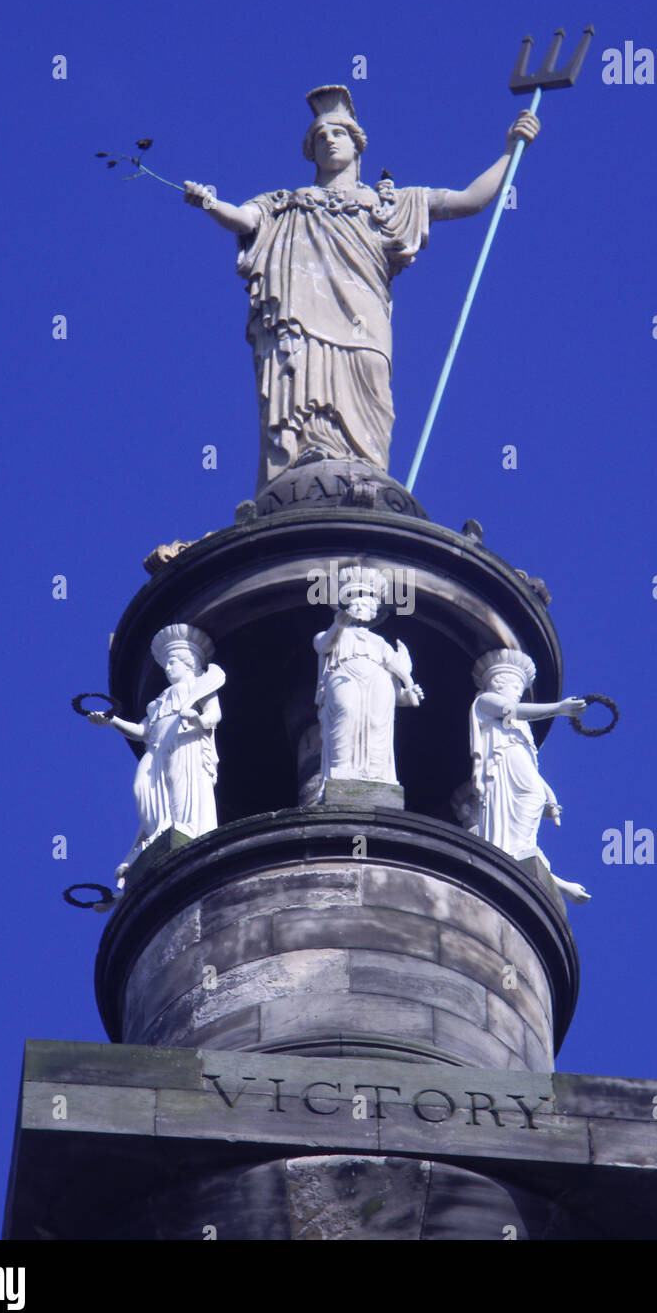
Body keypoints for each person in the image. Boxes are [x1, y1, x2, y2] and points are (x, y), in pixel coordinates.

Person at [183, 85, 540, 490]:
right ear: (310, 152)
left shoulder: (390, 205)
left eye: (337, 134)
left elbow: (469, 200)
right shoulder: (286, 205)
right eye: (320, 138)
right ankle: (305, 466)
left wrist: (512, 151)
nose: (328, 142)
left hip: (362, 322)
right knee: (302, 376)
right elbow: (246, 220)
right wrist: (210, 203)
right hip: (300, 318)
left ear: (357, 146)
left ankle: (364, 475)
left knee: (370, 385)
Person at [87, 624, 224, 887]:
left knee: (181, 783)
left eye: (173, 663)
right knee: (142, 788)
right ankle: (160, 828)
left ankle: (184, 826)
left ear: (189, 663)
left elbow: (215, 715)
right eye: (167, 664)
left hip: (186, 741)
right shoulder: (160, 700)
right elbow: (141, 730)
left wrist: (197, 718)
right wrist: (111, 720)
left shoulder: (200, 686)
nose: (168, 668)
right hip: (157, 748)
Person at [467, 648, 591, 904]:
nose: (517, 689)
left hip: (517, 759)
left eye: (519, 686)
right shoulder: (487, 701)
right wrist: (560, 708)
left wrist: (549, 793)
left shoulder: (521, 720)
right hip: (503, 760)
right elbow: (512, 710)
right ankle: (513, 852)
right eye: (514, 683)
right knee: (529, 797)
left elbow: (529, 762)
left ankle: (521, 855)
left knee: (533, 797)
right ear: (497, 682)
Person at [313, 566, 423, 788]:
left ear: (374, 615)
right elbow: (324, 645)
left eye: (368, 606)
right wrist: (338, 625)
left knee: (377, 723)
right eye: (357, 604)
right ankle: (341, 770)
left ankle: (375, 774)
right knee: (345, 712)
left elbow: (396, 666)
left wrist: (409, 687)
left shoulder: (380, 642)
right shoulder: (333, 634)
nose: (362, 608)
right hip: (344, 675)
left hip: (377, 679)